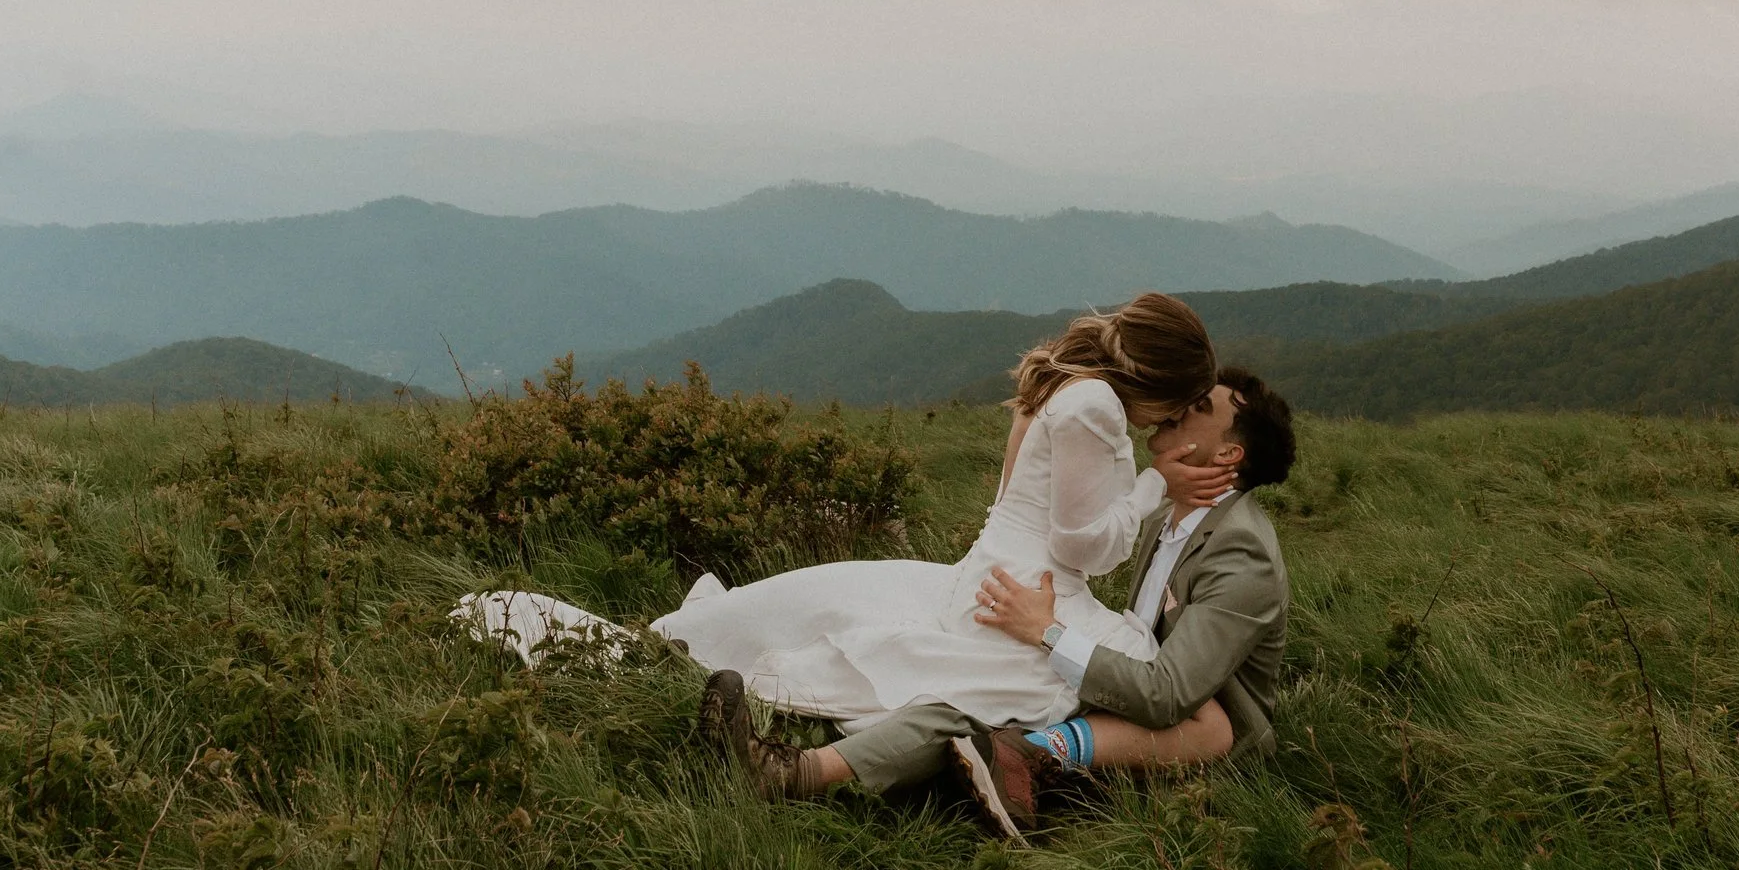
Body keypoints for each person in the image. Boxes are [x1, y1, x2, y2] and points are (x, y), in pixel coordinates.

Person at [458, 292, 1237, 743]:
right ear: (1157, 383)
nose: (1172, 422)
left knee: (836, 623)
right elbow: (1085, 548)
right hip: (1026, 593)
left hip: (988, 572)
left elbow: (1012, 504)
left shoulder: (1065, 384)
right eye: (1179, 402)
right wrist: (1152, 492)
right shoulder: (1098, 408)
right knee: (1093, 684)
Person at [711, 366, 1296, 835]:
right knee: (975, 688)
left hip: (1188, 737)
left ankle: (1014, 757)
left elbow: (1170, 692)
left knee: (978, 699)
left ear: (1228, 457)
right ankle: (801, 768)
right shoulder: (1173, 515)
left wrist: (1048, 634)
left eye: (1199, 408)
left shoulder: (1240, 551)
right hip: (1130, 691)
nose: (1179, 405)